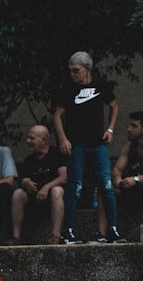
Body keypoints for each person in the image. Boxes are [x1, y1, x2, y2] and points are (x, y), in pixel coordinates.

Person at [53, 51, 124, 244]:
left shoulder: (100, 85)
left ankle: (113, 229)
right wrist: (63, 138)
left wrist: (110, 129)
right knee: (75, 186)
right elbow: (58, 114)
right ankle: (67, 231)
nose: (73, 75)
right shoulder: (68, 88)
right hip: (76, 145)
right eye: (70, 71)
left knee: (106, 186)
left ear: (87, 69)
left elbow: (114, 106)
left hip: (97, 144)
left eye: (76, 71)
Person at [9, 124, 67, 244]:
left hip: (52, 198)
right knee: (18, 194)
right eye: (28, 138)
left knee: (57, 190)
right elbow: (22, 179)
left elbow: (64, 177)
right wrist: (25, 182)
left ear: (44, 140)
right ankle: (16, 237)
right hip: (34, 198)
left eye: (31, 138)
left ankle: (56, 235)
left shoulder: (57, 154)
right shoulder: (29, 160)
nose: (28, 141)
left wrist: (47, 187)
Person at [111, 112, 143, 210]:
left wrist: (136, 179)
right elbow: (117, 169)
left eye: (134, 126)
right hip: (132, 190)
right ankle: (110, 226)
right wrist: (118, 180)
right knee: (106, 191)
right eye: (129, 125)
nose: (129, 129)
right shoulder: (130, 145)